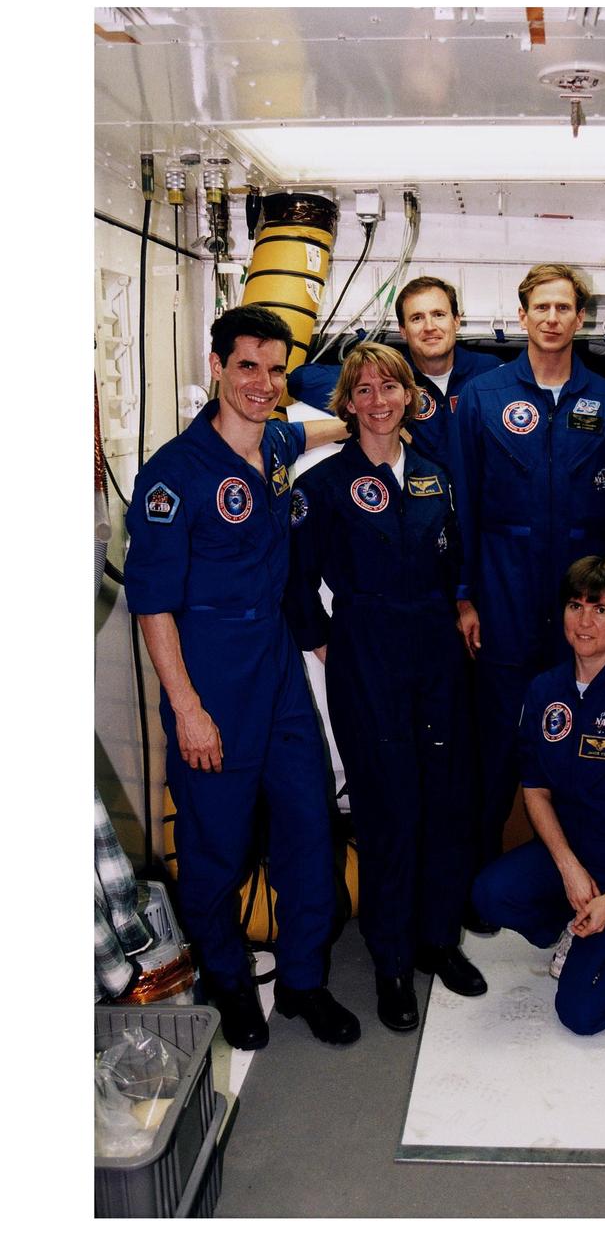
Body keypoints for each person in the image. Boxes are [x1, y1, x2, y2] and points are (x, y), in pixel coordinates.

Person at [124, 305, 360, 1051]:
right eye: (247, 366)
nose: (262, 383)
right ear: (217, 366)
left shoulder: (281, 444)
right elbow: (152, 604)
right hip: (212, 692)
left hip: (281, 684)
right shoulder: (173, 475)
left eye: (275, 368)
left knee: (308, 830)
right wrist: (188, 709)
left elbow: (318, 428)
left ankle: (301, 983)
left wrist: (369, 420)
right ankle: (227, 981)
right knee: (215, 850)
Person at [283, 342, 486, 1032]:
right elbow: (296, 582)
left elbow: (452, 558)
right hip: (366, 650)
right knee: (388, 812)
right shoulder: (321, 485)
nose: (377, 400)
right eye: (363, 390)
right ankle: (392, 962)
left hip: (435, 651)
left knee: (445, 803)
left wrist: (460, 605)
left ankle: (437, 941)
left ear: (409, 397)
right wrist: (324, 641)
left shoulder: (433, 477)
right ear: (346, 404)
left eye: (389, 387)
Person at [449, 264, 605, 877]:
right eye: (541, 308)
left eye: (564, 308)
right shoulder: (482, 397)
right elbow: (461, 506)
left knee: (584, 742)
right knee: (497, 742)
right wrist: (465, 596)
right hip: (503, 602)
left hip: (580, 610)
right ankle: (475, 868)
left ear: (581, 319)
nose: (552, 319)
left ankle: (581, 874)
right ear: (522, 316)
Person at [471, 557, 605, 1035]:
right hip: (573, 855)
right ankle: (575, 923)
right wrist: (569, 868)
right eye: (576, 606)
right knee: (489, 894)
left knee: (580, 1014)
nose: (585, 621)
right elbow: (535, 789)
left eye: (601, 610)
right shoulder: (543, 690)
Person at [396, 275, 502, 470]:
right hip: (420, 497)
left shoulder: (493, 374)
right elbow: (321, 378)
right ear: (403, 330)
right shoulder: (388, 378)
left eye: (438, 314)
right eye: (417, 318)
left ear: (456, 321)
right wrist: (369, 425)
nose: (429, 327)